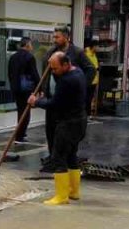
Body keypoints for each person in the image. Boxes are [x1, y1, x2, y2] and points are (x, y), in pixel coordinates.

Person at [29, 51, 87, 206]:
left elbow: (54, 104)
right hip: (80, 121)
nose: (53, 71)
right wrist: (54, 67)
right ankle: (73, 192)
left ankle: (61, 196)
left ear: (66, 64)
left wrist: (37, 102)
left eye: (55, 69)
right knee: (71, 156)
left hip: (68, 123)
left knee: (58, 157)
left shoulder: (67, 81)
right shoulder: (78, 72)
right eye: (51, 68)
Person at [44, 26, 94, 160]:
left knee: (66, 132)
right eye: (54, 37)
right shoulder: (51, 52)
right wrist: (43, 90)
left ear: (66, 37)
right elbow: (45, 74)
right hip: (53, 96)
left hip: (68, 100)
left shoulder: (77, 53)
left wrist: (82, 85)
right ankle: (52, 156)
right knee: (51, 129)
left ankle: (65, 158)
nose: (55, 40)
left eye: (57, 37)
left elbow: (91, 69)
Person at [7, 38, 39, 143]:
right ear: (27, 45)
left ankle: (20, 134)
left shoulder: (13, 57)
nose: (32, 47)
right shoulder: (30, 57)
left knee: (20, 111)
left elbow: (9, 73)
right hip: (26, 89)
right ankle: (20, 135)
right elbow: (34, 74)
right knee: (25, 112)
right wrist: (40, 87)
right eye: (31, 44)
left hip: (16, 88)